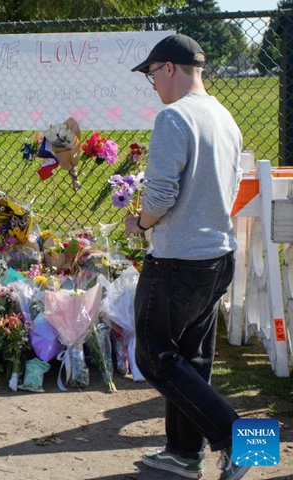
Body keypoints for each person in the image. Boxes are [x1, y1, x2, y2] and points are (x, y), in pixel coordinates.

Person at [127, 34, 248, 480]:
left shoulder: (174, 118)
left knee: (154, 355)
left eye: (152, 74)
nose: (152, 83)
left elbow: (160, 194)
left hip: (178, 259)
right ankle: (182, 452)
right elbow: (230, 188)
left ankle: (238, 439)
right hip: (218, 253)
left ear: (171, 68)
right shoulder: (224, 117)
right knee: (192, 358)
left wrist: (140, 223)